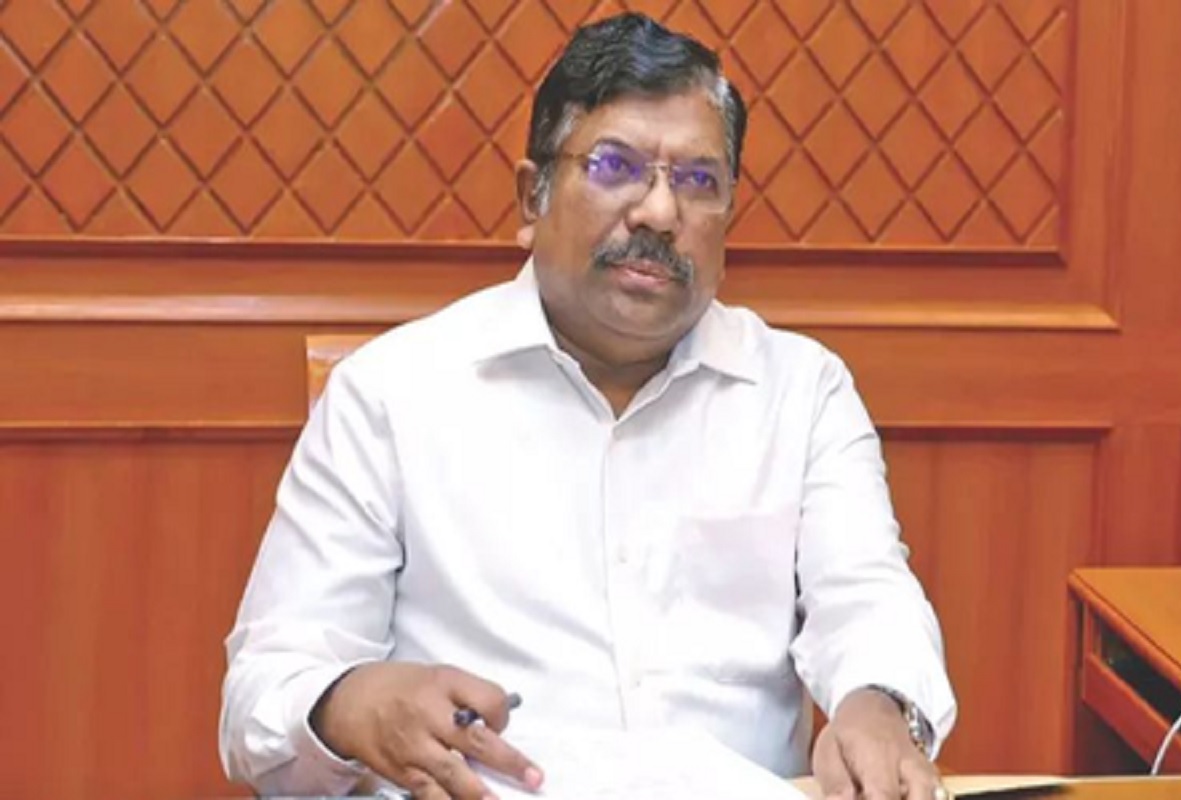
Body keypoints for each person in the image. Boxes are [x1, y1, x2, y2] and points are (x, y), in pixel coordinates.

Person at [220, 12, 956, 800]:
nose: (660, 213)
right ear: (531, 196)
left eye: (698, 181)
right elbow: (265, 689)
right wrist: (350, 705)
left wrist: (881, 703)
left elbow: (866, 596)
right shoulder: (391, 393)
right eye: (615, 166)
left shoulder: (802, 392)